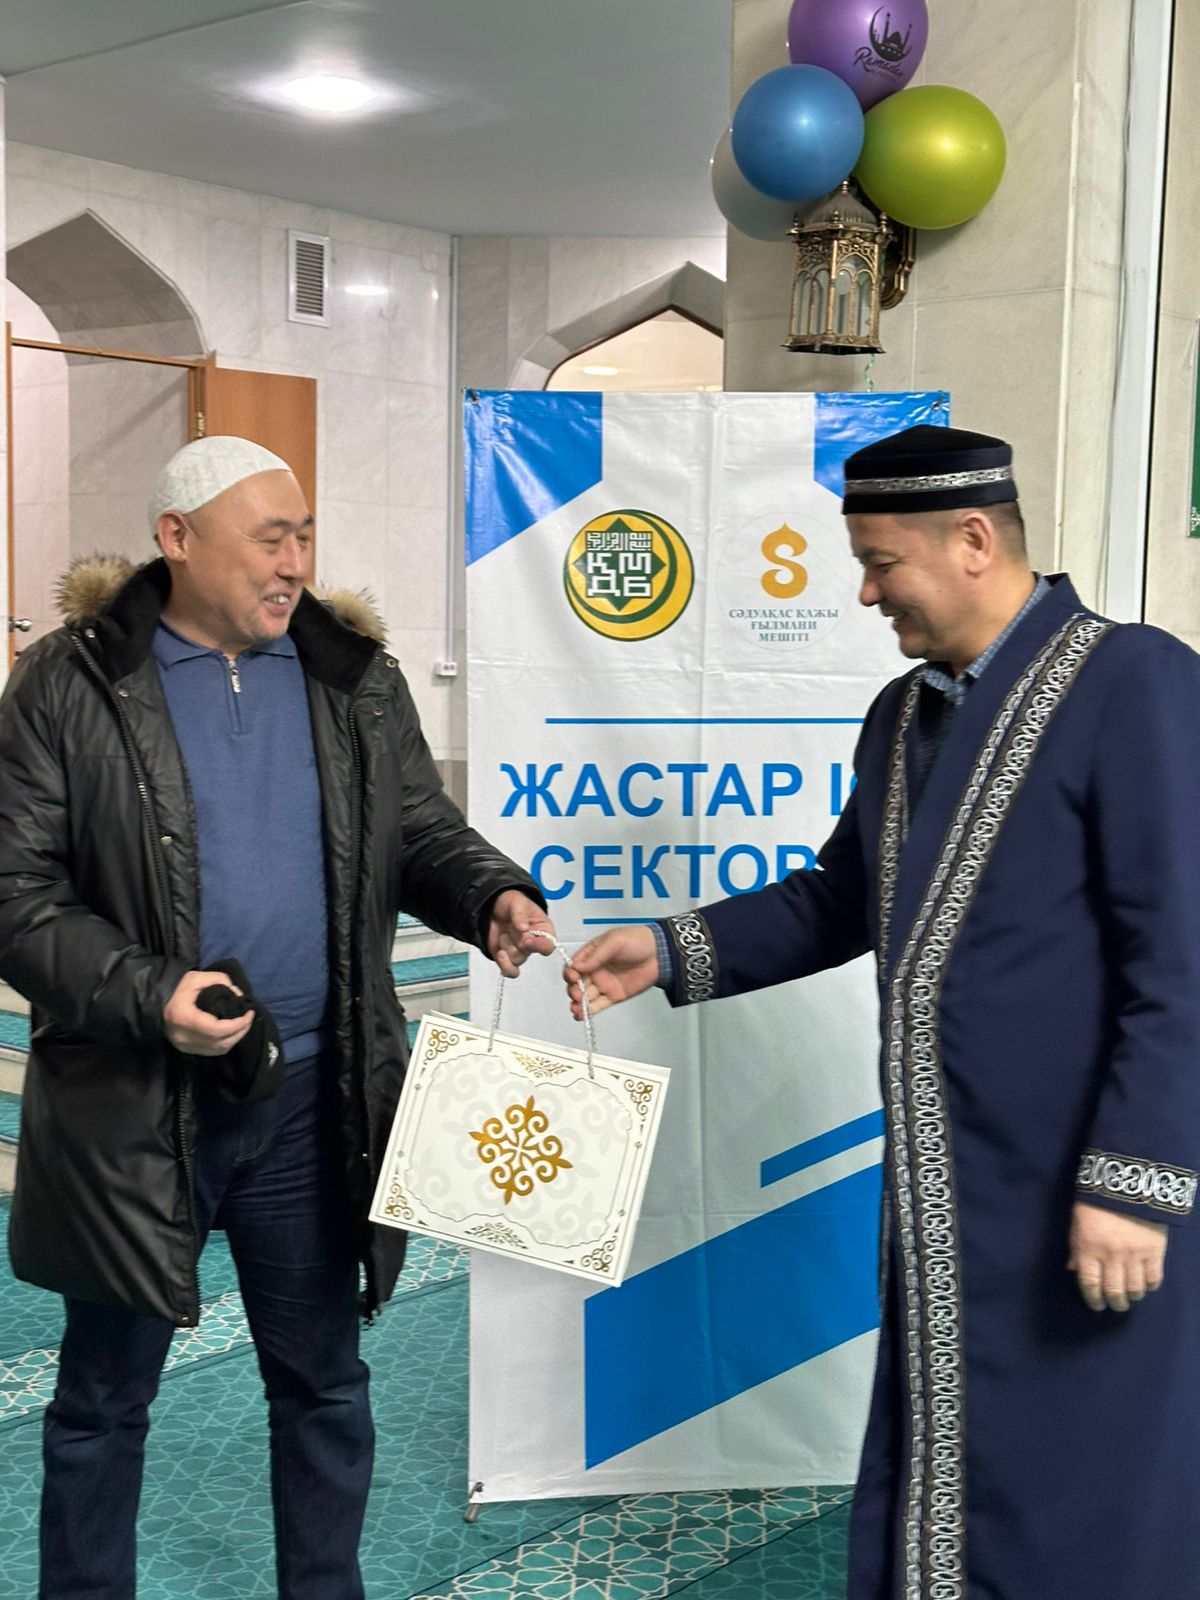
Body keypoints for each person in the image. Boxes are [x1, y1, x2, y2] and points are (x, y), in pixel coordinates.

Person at [564, 425, 1200, 1599]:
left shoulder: (1135, 680)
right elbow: (838, 896)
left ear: (973, 541)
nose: (864, 593)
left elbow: (1182, 955)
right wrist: (666, 948)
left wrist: (1134, 1181)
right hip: (947, 1185)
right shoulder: (902, 715)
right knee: (954, 1452)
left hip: (1081, 1184)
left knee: (1092, 1476)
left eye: (880, 563)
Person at [0, 436, 555, 1600]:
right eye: (270, 538)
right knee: (102, 1401)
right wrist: (149, 994)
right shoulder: (68, 683)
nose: (296, 561)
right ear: (177, 538)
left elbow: (416, 828)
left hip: (316, 1098)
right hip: (132, 1108)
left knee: (324, 1385)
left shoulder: (354, 677)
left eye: (304, 536)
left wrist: (489, 892)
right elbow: (16, 895)